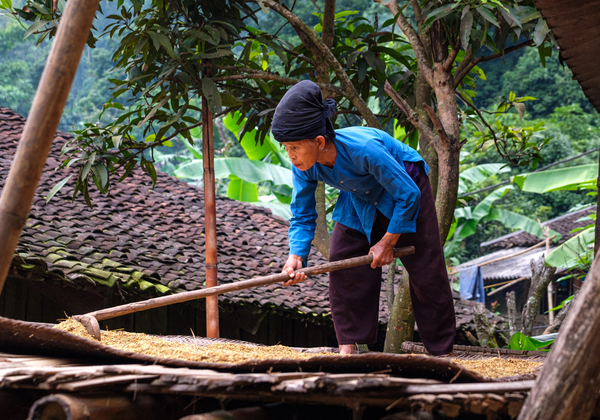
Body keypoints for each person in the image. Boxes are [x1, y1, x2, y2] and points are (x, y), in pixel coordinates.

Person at [272, 80, 456, 355]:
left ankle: (442, 351)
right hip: (358, 194)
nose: (291, 156)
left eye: (295, 147)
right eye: (286, 148)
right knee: (342, 264)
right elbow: (302, 213)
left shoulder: (365, 149)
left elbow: (408, 194)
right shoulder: (303, 166)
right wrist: (296, 256)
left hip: (405, 187)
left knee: (426, 270)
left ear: (319, 141)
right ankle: (349, 348)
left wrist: (388, 242)